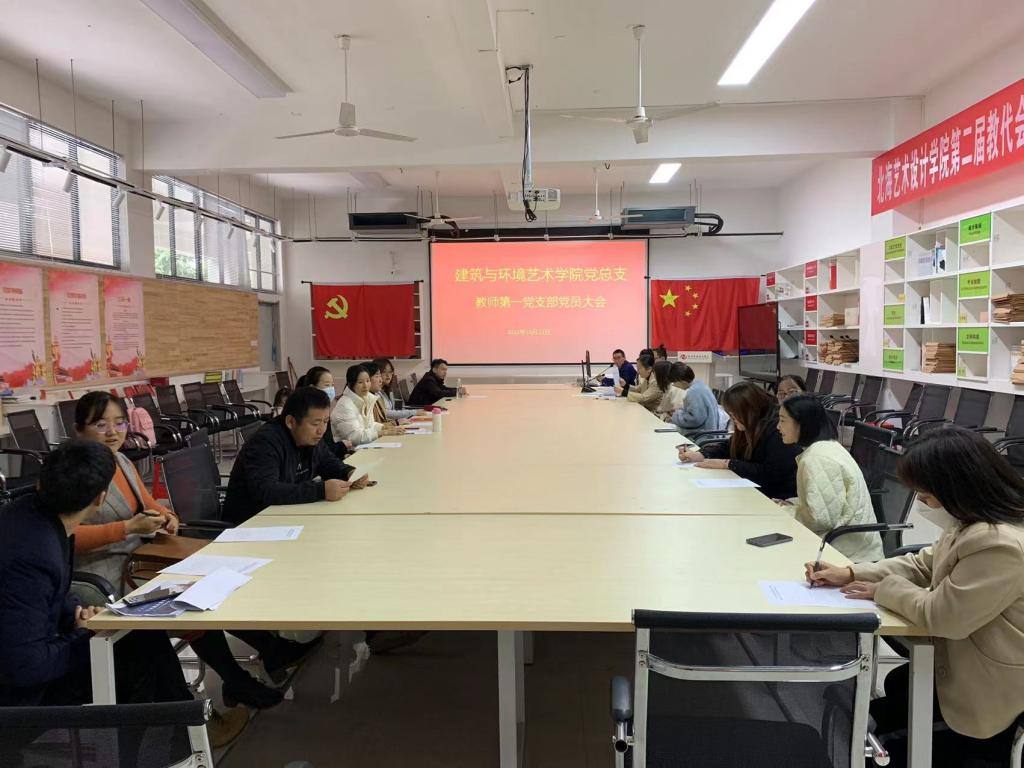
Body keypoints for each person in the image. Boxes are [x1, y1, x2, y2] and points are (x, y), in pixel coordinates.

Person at [72, 392, 314, 711]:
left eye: (119, 423)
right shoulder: (72, 471)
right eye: (100, 425)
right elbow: (66, 536)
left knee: (210, 583)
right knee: (188, 596)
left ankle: (262, 656)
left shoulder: (121, 461)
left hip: (143, 555)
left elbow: (149, 503)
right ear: (79, 430)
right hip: (101, 569)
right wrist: (127, 528)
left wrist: (167, 516)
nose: (112, 432)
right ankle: (241, 674)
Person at [808, 427, 1024, 767]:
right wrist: (851, 573)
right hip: (959, 666)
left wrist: (883, 590)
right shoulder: (972, 523)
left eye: (925, 494)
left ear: (956, 487)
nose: (920, 502)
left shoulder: (999, 543)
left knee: (876, 745)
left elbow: (945, 617)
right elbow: (922, 564)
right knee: (874, 709)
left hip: (988, 695)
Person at [0, 440, 193, 710]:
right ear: (100, 499)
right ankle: (166, 728)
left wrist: (76, 613)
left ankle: (182, 722)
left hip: (31, 651)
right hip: (21, 694)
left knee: (145, 636)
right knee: (139, 664)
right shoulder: (35, 554)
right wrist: (81, 635)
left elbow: (51, 595)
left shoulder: (29, 514)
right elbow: (26, 667)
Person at [224, 386, 368, 525]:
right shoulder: (265, 443)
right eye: (315, 424)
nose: (321, 430)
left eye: (325, 422)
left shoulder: (310, 437)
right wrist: (321, 491)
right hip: (251, 524)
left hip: (287, 516)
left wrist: (349, 473)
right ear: (291, 422)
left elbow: (326, 461)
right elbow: (267, 491)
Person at [776, 394, 883, 562]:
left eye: (783, 420)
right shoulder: (827, 447)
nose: (778, 426)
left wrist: (784, 511)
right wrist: (792, 504)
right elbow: (827, 504)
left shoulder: (817, 458)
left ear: (802, 423)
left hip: (847, 553)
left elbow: (820, 519)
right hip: (849, 545)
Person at [678, 382, 799, 499]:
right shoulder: (750, 423)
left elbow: (772, 473)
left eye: (734, 414)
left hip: (775, 497)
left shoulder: (778, 429)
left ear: (749, 409)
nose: (732, 418)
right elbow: (729, 446)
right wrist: (701, 454)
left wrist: (728, 464)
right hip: (751, 491)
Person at [331, 365, 402, 446]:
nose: (365, 385)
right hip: (348, 451)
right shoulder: (345, 405)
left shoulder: (366, 399)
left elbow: (369, 425)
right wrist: (382, 432)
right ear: (351, 384)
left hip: (361, 447)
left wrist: (384, 427)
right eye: (360, 382)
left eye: (368, 381)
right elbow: (354, 437)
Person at [669, 364, 726, 434]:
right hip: (708, 430)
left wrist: (676, 416)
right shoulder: (701, 386)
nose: (674, 385)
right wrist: (681, 411)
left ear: (682, 382)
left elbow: (694, 420)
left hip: (701, 435)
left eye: (674, 382)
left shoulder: (694, 392)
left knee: (669, 429)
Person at [363, 361, 410, 427]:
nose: (380, 380)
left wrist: (396, 423)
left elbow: (381, 421)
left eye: (390, 372)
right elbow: (371, 427)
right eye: (377, 376)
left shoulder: (376, 396)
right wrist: (395, 423)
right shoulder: (365, 401)